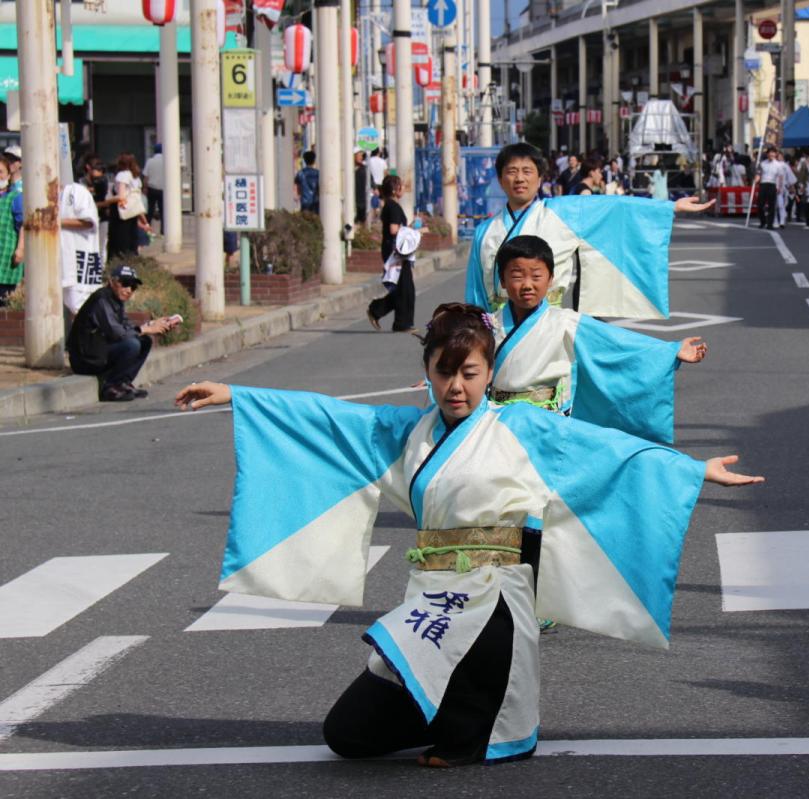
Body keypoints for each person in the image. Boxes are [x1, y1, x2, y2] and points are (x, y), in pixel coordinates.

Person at [173, 303, 762, 767]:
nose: (457, 386)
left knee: (471, 732)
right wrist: (238, 396)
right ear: (427, 371)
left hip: (494, 603)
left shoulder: (522, 427)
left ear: (489, 372)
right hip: (429, 602)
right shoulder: (409, 432)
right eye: (444, 372)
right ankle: (447, 714)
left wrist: (692, 469)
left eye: (470, 373)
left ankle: (474, 725)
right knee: (346, 736)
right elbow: (329, 419)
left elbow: (605, 452)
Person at [487, 234, 707, 442]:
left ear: (551, 280)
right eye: (517, 276)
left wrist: (669, 351)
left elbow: (616, 342)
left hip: (548, 422)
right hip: (498, 421)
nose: (527, 285)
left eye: (536, 276)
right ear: (503, 281)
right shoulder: (488, 325)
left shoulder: (565, 321)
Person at [464, 142, 712, 318]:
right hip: (499, 328)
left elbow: (615, 208)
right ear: (500, 178)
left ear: (540, 179)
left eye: (527, 171)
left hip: (549, 324)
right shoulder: (484, 231)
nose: (519, 179)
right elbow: (475, 292)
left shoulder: (563, 213)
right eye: (512, 172)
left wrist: (669, 207)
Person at [67, 264, 180, 401]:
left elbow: (127, 326)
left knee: (144, 342)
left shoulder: (116, 301)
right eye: (125, 284)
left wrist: (152, 325)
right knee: (132, 345)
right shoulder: (101, 300)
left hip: (99, 352)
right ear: (112, 282)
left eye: (133, 287)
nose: (128, 290)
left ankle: (123, 383)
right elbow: (117, 333)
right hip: (86, 359)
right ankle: (111, 387)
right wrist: (144, 329)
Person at [367, 175, 417, 333]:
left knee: (403, 288)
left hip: (395, 251)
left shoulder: (390, 205)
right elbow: (394, 230)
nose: (403, 188)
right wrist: (412, 230)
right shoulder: (393, 207)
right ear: (395, 189)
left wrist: (411, 226)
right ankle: (402, 323)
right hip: (396, 254)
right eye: (401, 186)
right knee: (405, 288)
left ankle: (377, 310)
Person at [60, 159, 103, 314]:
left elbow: (88, 222)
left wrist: (57, 222)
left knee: (80, 307)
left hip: (78, 259)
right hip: (59, 260)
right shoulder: (43, 193)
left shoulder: (76, 191)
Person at [106, 152, 151, 259]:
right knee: (131, 243)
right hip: (133, 213)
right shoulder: (136, 178)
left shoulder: (122, 175)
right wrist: (145, 221)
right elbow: (136, 201)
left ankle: (117, 265)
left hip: (121, 213)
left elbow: (121, 197)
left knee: (118, 242)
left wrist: (106, 201)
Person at [0, 158, 23, 303]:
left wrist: (20, 249)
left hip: (5, 262)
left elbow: (24, 225)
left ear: (9, 176)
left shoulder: (16, 197)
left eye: (1, 172)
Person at [754, 146, 785, 229]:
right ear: (767, 154)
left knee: (772, 206)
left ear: (775, 154)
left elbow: (780, 177)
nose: (771, 154)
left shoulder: (778, 165)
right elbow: (758, 174)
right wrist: (756, 180)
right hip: (763, 184)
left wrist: (779, 187)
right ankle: (763, 221)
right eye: (770, 153)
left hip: (772, 184)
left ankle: (770, 224)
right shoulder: (762, 163)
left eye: (773, 153)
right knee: (760, 204)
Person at [143, 143, 165, 231]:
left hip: (151, 188)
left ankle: (148, 228)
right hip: (163, 189)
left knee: (150, 210)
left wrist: (144, 188)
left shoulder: (150, 161)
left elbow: (146, 176)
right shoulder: (167, 161)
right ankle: (163, 230)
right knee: (163, 211)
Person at [353, 149, 368, 226]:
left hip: (362, 197)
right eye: (358, 155)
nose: (360, 157)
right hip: (352, 197)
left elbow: (370, 179)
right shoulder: (349, 168)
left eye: (361, 155)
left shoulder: (364, 168)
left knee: (362, 218)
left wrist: (375, 188)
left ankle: (363, 234)